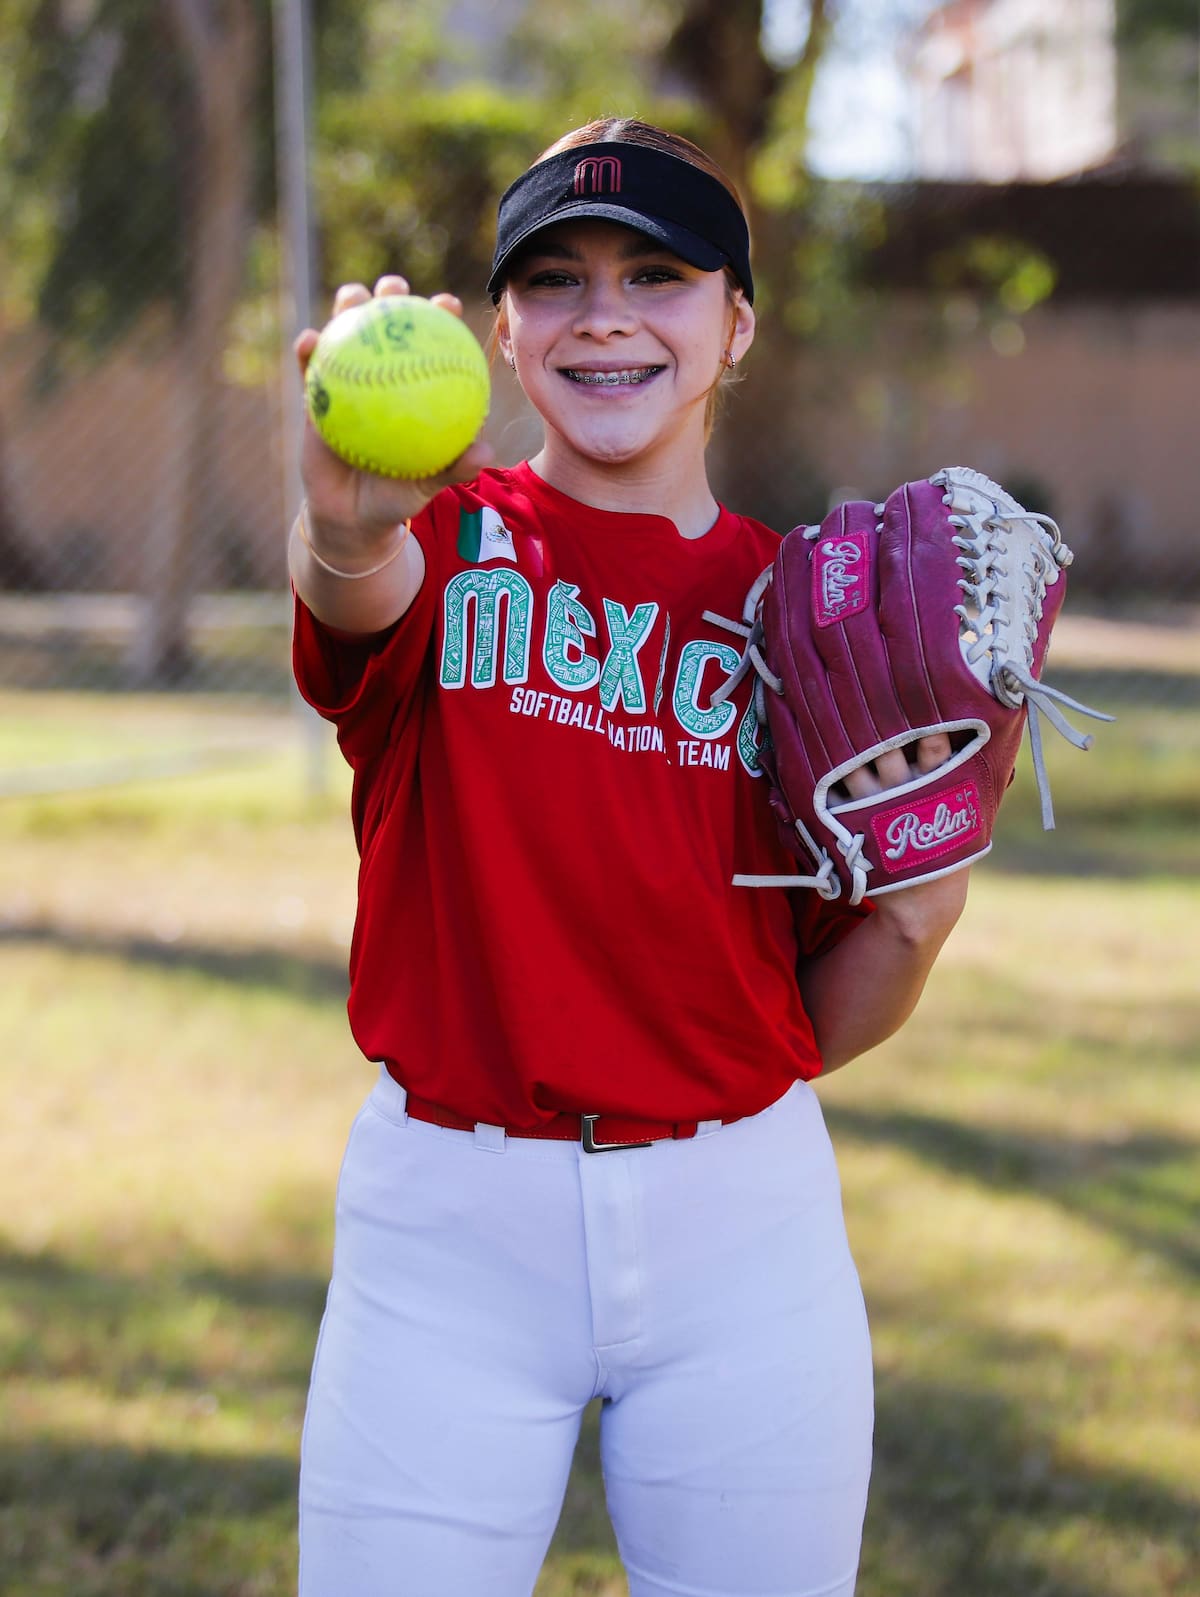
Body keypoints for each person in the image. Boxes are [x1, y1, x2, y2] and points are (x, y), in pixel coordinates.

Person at [289, 117, 968, 1597]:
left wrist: (920, 904)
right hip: (448, 1231)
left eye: (656, 273)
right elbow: (355, 587)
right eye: (557, 279)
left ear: (735, 323)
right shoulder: (447, 537)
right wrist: (342, 519)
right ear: (502, 333)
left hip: (743, 1229)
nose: (604, 313)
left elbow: (855, 980)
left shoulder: (818, 616)